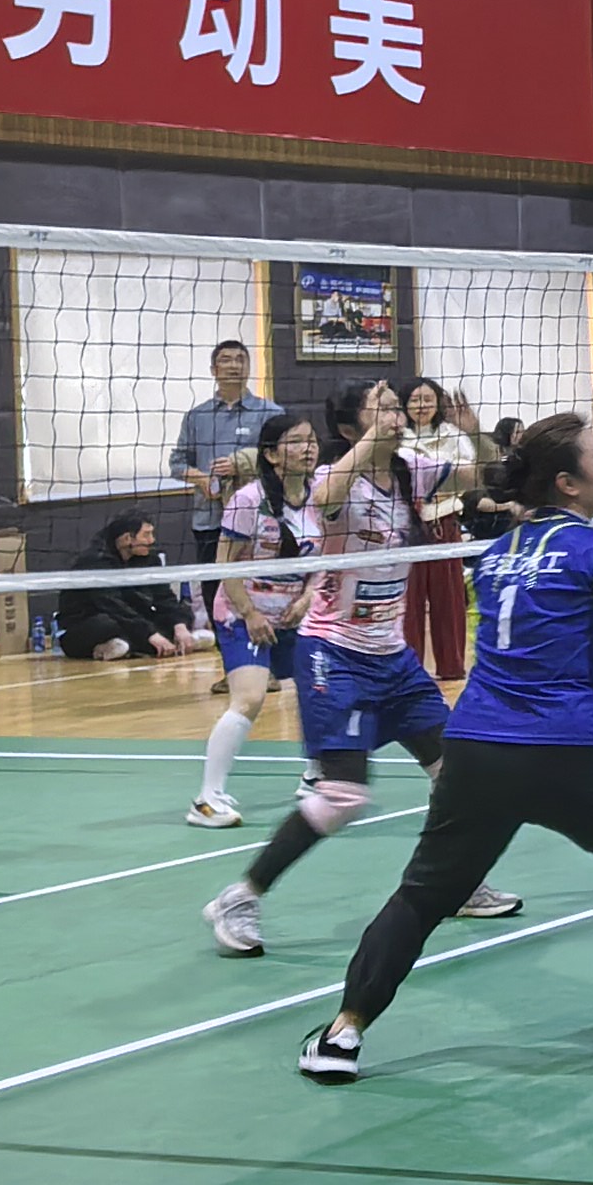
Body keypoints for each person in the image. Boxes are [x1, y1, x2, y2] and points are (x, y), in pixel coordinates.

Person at [294, 413, 593, 1082]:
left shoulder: (493, 558)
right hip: (571, 749)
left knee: (422, 897)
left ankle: (342, 1034)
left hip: (478, 747)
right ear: (568, 482)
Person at [201, 379, 512, 957]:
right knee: (343, 794)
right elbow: (325, 498)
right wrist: (371, 441)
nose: (396, 414)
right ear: (350, 427)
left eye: (397, 406)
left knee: (459, 774)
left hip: (392, 656)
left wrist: (473, 435)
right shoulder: (333, 478)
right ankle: (240, 897)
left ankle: (457, 882)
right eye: (382, 407)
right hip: (334, 654)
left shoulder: (413, 470)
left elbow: (484, 477)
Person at [189, 412, 320, 830]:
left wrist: (308, 598)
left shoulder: (323, 495)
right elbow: (225, 566)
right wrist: (250, 613)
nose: (308, 449)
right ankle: (206, 799)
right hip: (242, 612)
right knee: (249, 698)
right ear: (271, 454)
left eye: (311, 440)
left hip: (295, 614)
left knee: (323, 689)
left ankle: (316, 776)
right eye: (296, 442)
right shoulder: (248, 499)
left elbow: (329, 559)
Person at [173, 339, 284, 694]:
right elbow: (177, 463)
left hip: (260, 522)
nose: (234, 365)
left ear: (248, 367)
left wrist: (241, 464)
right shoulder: (198, 416)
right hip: (210, 519)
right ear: (214, 369)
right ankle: (232, 668)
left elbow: (283, 455)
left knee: (262, 591)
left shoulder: (269, 412)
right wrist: (202, 479)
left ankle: (267, 668)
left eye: (240, 359)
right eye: (226, 360)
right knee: (215, 596)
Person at [398, 378, 477, 681]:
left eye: (428, 399)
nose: (422, 405)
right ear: (404, 404)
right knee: (410, 601)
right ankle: (411, 670)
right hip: (408, 525)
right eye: (415, 399)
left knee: (450, 598)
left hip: (445, 521)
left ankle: (452, 666)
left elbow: (470, 473)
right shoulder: (396, 438)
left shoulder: (454, 434)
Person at [58, 514, 200, 661]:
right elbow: (114, 607)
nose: (152, 540)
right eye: (146, 535)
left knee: (174, 616)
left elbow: (164, 597)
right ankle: (126, 646)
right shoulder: (94, 561)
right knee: (108, 624)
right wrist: (150, 634)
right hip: (88, 624)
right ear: (127, 539)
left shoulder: (149, 559)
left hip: (131, 619)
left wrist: (179, 626)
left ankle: (178, 640)